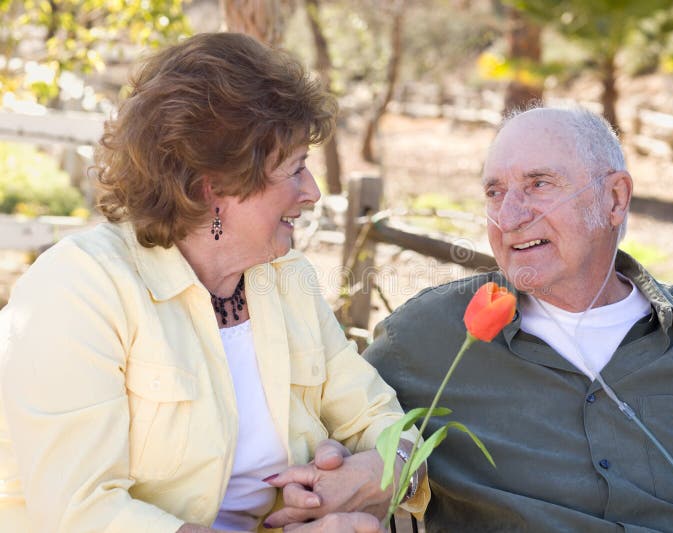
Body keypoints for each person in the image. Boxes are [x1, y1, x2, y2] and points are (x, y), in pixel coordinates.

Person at [0, 33, 426, 533]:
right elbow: (80, 511)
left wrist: (375, 472)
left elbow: (384, 421)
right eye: (295, 170)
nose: (311, 193)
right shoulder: (79, 289)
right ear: (215, 187)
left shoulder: (285, 279)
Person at [361, 106, 673, 532]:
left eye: (538, 184)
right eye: (494, 192)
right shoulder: (425, 337)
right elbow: (326, 430)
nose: (509, 217)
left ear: (614, 198)